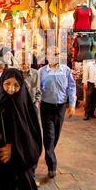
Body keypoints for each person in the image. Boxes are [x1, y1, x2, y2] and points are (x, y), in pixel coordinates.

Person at [38, 46, 77, 178]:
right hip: (46, 107)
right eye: (52, 54)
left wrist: (72, 105)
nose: (55, 55)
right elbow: (37, 90)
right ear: (47, 56)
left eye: (57, 53)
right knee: (49, 135)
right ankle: (52, 165)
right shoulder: (42, 71)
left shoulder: (65, 70)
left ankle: (49, 153)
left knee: (56, 135)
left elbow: (71, 87)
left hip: (60, 107)